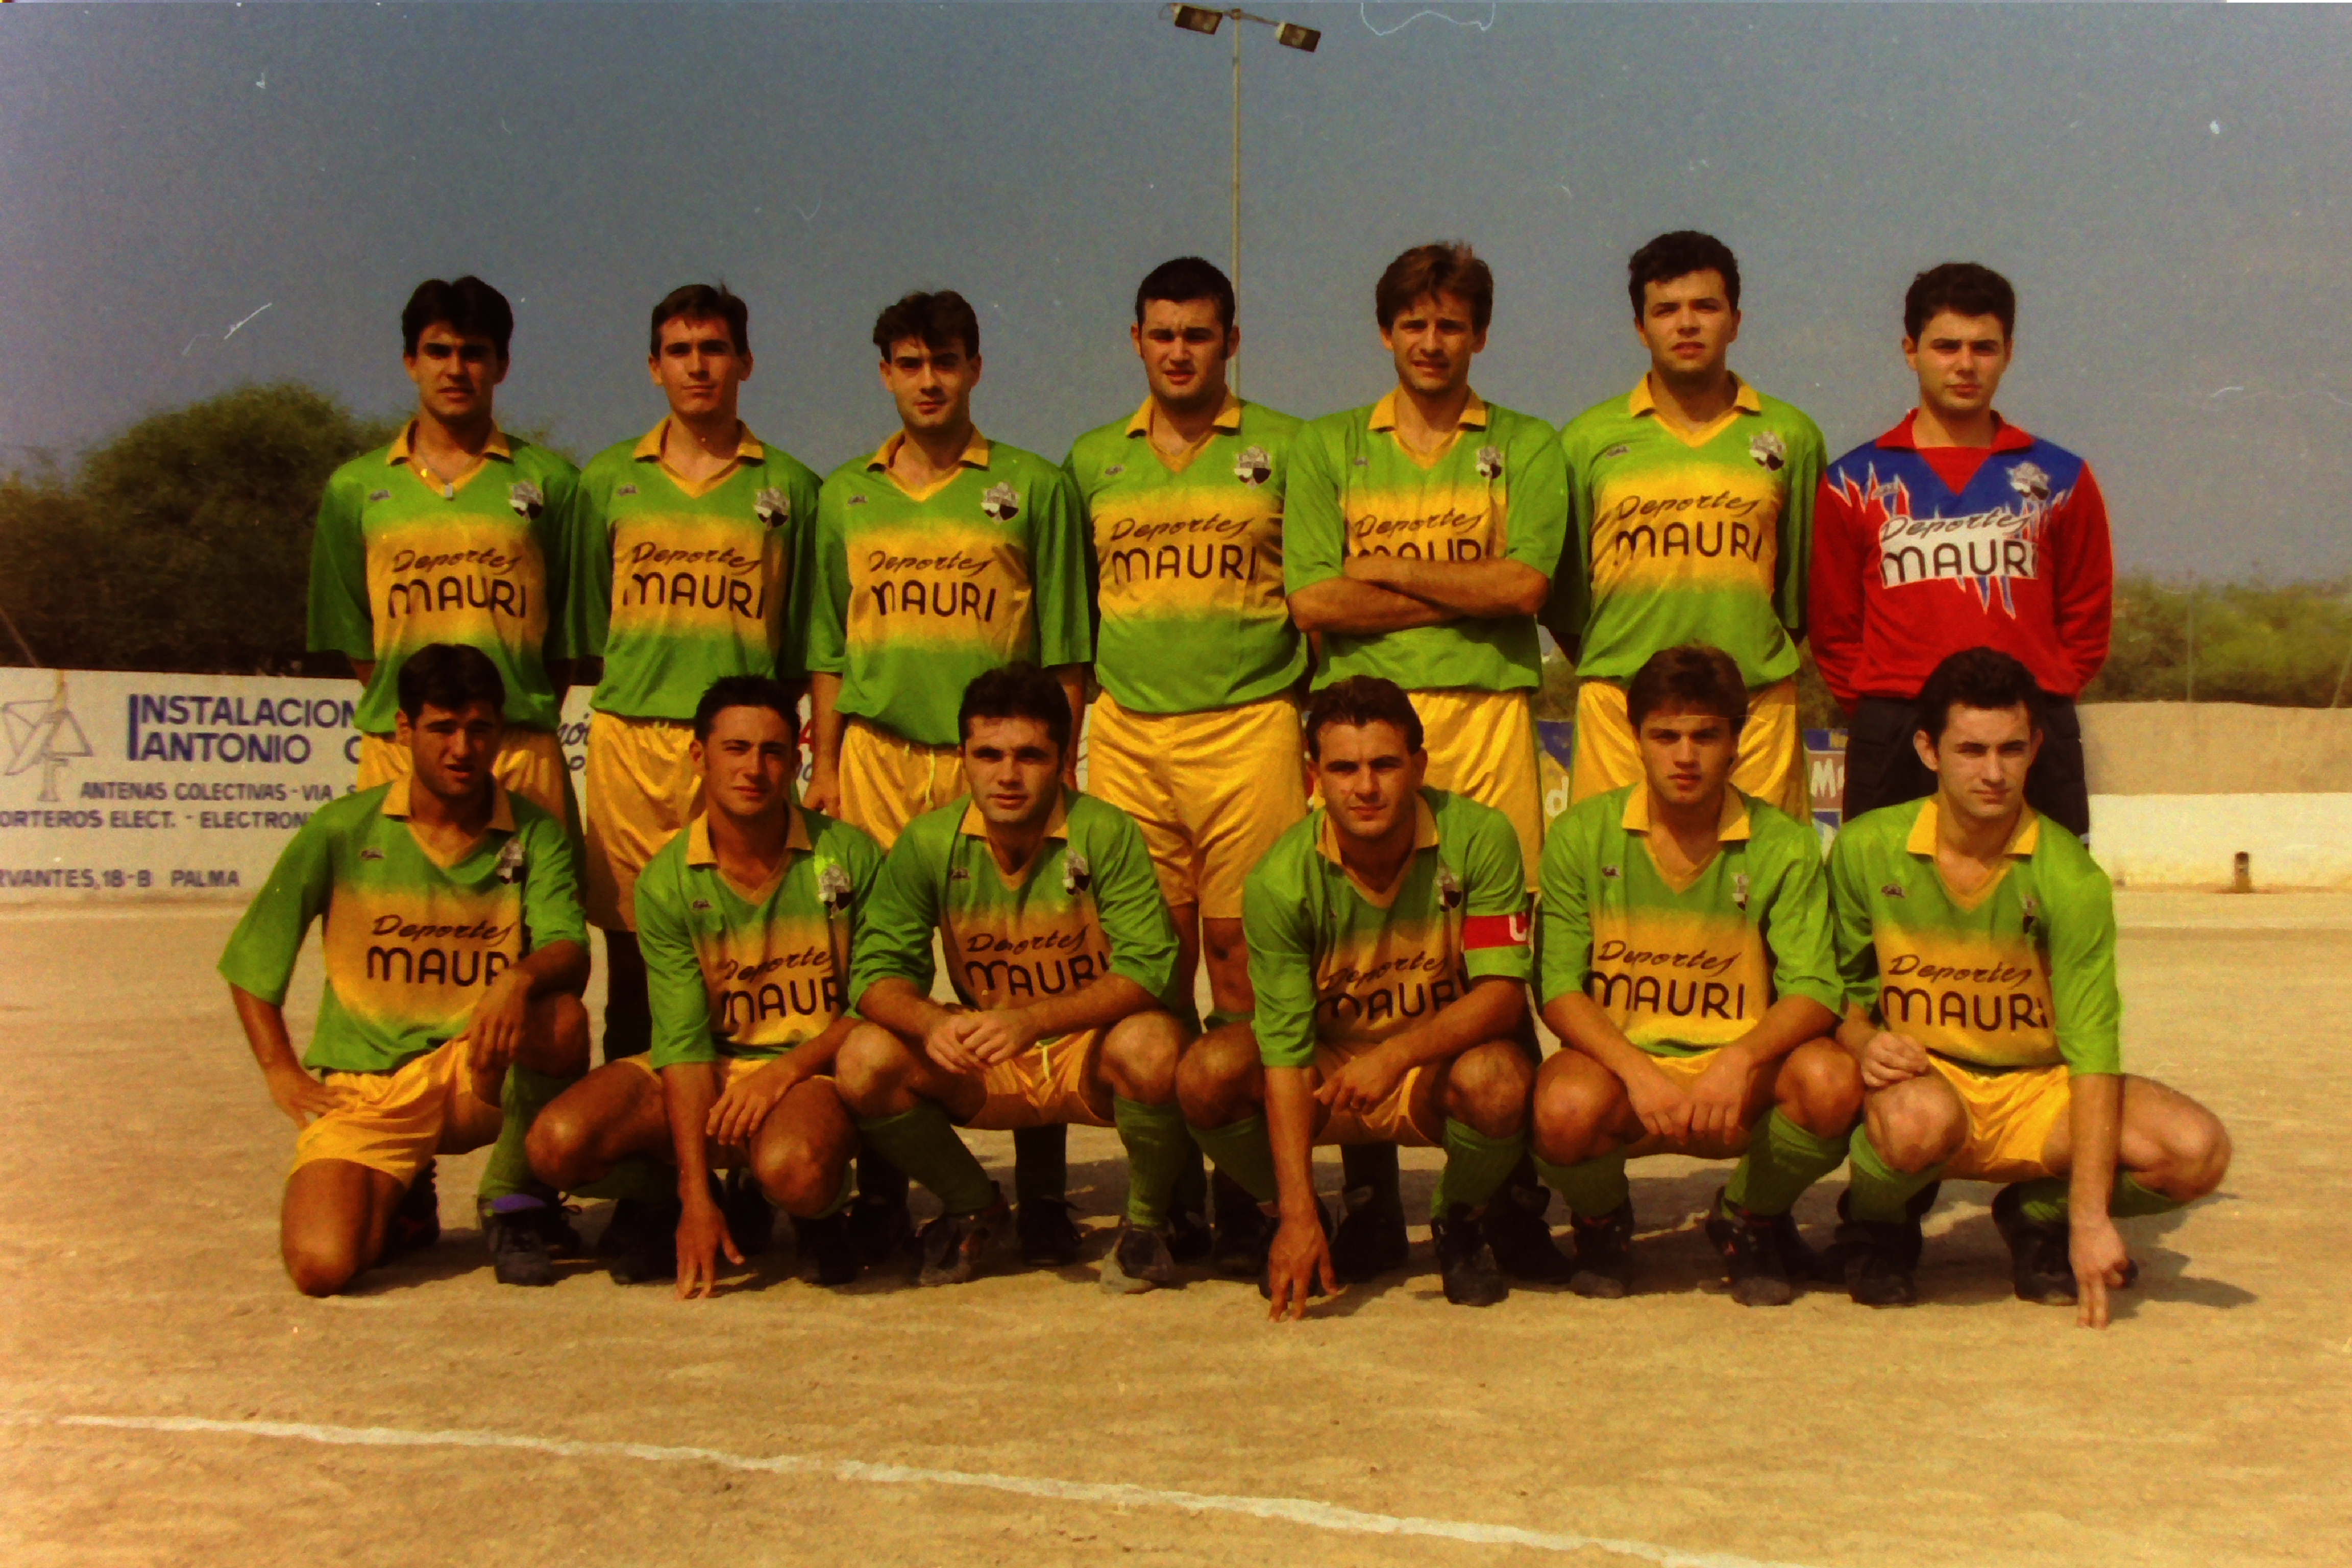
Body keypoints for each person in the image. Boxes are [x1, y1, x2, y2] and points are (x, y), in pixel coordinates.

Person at [1282, 241, 1570, 1283]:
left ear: (1479, 334)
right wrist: (1460, 585)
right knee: (1363, 955)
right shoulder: (1327, 447)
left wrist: (1385, 569)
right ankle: (1368, 1195)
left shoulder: (1526, 444)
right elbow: (1314, 600)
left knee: (1497, 958)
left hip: (1487, 724)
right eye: (1414, 323)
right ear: (1386, 332)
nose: (1432, 342)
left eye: (1452, 324)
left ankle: (1501, 1196)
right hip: (1366, 732)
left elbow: (1525, 588)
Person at [801, 289, 1092, 1257]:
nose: (929, 381)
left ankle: (1043, 1197)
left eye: (946, 361)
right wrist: (826, 763)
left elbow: (1064, 648)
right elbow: (828, 648)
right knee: (878, 974)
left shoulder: (1032, 485)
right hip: (879, 755)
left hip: (996, 758)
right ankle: (886, 1191)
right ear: (885, 371)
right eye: (910, 363)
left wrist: (1058, 767)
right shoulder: (842, 495)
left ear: (976, 367)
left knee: (1029, 954)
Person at [1826, 649, 2230, 1324]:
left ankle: (2037, 1214)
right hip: (1929, 1081)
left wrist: (2090, 1217)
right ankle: (1878, 1224)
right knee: (1914, 1124)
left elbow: (2093, 1049)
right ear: (1928, 750)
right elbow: (1841, 988)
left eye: (2011, 749)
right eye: (1971, 750)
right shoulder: (1867, 848)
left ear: (2036, 748)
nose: (1993, 773)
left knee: (2196, 1151)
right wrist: (1865, 1040)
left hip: (2039, 1092)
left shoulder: (2070, 876)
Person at [1062, 255, 1304, 1269]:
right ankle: (1160, 1200)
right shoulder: (1093, 459)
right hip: (1130, 733)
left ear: (1230, 342)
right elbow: (1076, 619)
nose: (1178, 352)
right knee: (1148, 965)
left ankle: (1245, 1181)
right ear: (1135, 341)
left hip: (1248, 724)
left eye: (1198, 335)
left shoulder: (1285, 448)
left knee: (1244, 954)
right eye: (1161, 334)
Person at [219, 644, 590, 1295]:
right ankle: (406, 1197)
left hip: (472, 1068)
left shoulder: (533, 831)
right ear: (403, 730)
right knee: (323, 1266)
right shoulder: (342, 829)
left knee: (561, 1023)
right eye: (442, 728)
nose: (462, 749)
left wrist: (518, 978)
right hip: (367, 1088)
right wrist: (280, 1069)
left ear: (499, 733)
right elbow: (254, 958)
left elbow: (568, 944)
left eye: (479, 729)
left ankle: (514, 1197)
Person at [1178, 677, 1538, 1314]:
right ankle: (1301, 1217)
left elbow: (1503, 997)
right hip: (1331, 1071)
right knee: (1208, 1072)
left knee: (1500, 1080)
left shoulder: (1481, 837)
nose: (1365, 787)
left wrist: (1395, 1056)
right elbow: (1286, 1053)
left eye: (1385, 765)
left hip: (1434, 1062)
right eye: (1344, 768)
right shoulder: (1280, 880)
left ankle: (1459, 1219)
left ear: (1419, 767)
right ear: (1314, 777)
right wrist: (1296, 1212)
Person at [833, 665, 1195, 1293]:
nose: (1008, 775)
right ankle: (974, 1204)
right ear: (963, 758)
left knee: (1155, 1043)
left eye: (1030, 756)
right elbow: (875, 974)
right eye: (989, 755)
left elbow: (1150, 967)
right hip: (988, 1053)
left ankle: (1145, 1224)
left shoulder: (1106, 831)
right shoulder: (928, 842)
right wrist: (932, 1023)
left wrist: (1032, 1020)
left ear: (1062, 761)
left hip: (1083, 1049)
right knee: (864, 1056)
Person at [524, 677, 882, 1294]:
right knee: (556, 1145)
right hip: (712, 1070)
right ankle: (676, 1198)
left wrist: (783, 1073)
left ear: (796, 760)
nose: (754, 769)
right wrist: (697, 1195)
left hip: (807, 1073)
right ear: (700, 756)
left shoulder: (849, 854)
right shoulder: (666, 880)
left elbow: (876, 1003)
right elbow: (684, 1043)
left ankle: (813, 1211)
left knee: (794, 1170)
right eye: (736, 749)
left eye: (772, 752)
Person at [1532, 645, 1858, 1305]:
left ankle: (1748, 1216)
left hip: (1736, 1080)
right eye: (1666, 736)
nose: (1686, 756)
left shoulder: (1786, 843)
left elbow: (1816, 990)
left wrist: (1739, 1059)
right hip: (1627, 1076)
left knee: (1831, 1083)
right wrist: (1635, 1069)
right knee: (1562, 1108)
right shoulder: (1580, 834)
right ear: (1636, 739)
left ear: (1737, 743)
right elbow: (1558, 988)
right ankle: (1602, 1220)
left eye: (1706, 736)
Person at [570, 284, 822, 1071]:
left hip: (740, 747)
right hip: (634, 747)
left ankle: (737, 1141)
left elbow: (800, 640)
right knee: (635, 970)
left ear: (745, 361)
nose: (698, 366)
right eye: (679, 351)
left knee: (743, 959)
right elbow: (591, 627)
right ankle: (640, 1142)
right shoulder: (607, 480)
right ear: (654, 367)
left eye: (714, 349)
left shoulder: (791, 487)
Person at [1811, 263, 2113, 839]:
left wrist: (2036, 704)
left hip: (2027, 728)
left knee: (2041, 892)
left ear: (2009, 353)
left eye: (1984, 347)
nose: (1966, 364)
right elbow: (1835, 628)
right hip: (1899, 725)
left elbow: (2087, 618)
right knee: (1885, 893)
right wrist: (1887, 707)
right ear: (1911, 350)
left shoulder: (2061, 477)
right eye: (1947, 346)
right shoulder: (1853, 481)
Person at [1548, 232, 1825, 824]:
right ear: (1640, 328)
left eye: (1706, 306)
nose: (1687, 324)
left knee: (1763, 875)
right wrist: (1629, 665)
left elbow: (1797, 596)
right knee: (1614, 871)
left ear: (1736, 321)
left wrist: (1741, 662)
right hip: (1621, 708)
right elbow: (1569, 607)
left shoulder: (1792, 435)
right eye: (1666, 310)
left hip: (1754, 709)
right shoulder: (1586, 440)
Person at [310, 276, 582, 827]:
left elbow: (568, 636)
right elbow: (355, 636)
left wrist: (509, 711)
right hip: (401, 747)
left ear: (502, 366)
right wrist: (424, 717)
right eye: (438, 352)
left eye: (474, 353)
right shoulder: (355, 487)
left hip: (518, 748)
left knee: (534, 888)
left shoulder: (553, 482)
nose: (455, 370)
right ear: (411, 362)